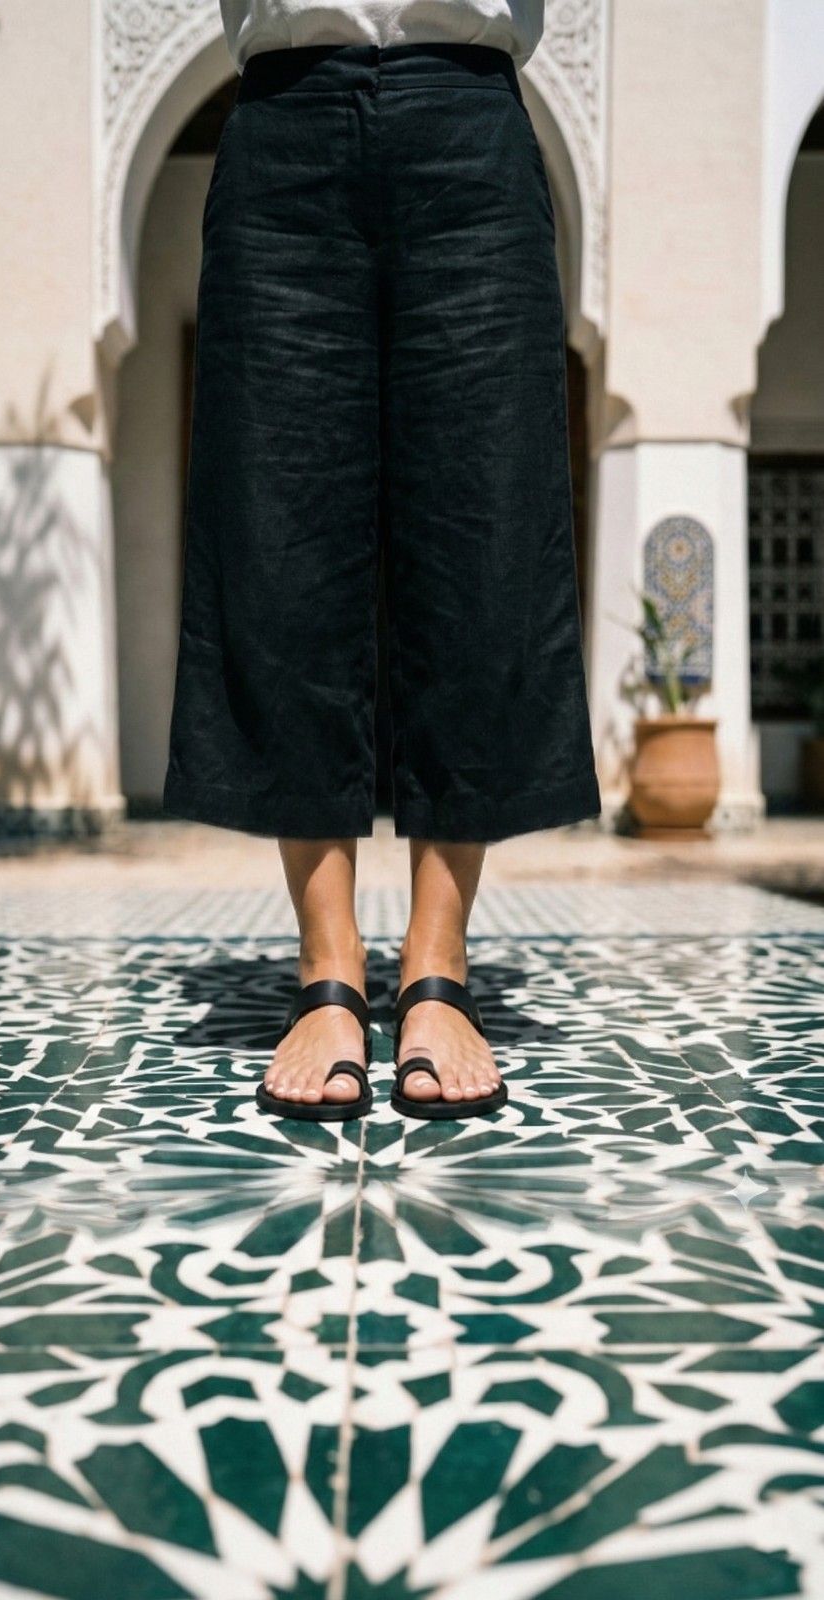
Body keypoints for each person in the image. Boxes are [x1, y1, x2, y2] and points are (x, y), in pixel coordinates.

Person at [163, 0, 601, 1123]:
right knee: (278, 534)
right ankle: (327, 973)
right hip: (278, 119)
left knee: (482, 532)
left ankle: (436, 969)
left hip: (469, 109)